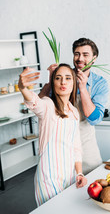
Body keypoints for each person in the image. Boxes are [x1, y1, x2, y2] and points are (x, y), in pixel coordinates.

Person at [18, 64, 87, 207]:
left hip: (69, 176)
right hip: (48, 177)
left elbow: (76, 147)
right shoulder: (47, 105)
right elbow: (34, 102)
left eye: (68, 78)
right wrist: (22, 87)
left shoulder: (74, 112)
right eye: (58, 78)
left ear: (73, 83)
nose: (63, 82)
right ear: (52, 82)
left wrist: (79, 173)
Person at [39, 38, 108, 175]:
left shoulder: (99, 83)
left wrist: (82, 88)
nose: (80, 58)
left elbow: (94, 119)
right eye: (76, 54)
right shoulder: (63, 76)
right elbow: (40, 104)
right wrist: (51, 80)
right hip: (60, 144)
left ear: (94, 58)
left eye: (85, 54)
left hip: (85, 145)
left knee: (92, 179)